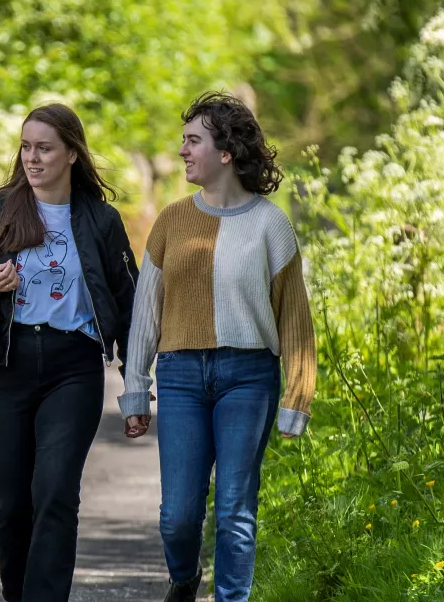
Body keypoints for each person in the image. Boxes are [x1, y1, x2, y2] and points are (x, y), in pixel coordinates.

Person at [120, 91, 316, 602]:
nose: (182, 151)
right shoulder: (170, 222)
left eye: (193, 141)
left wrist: (297, 397)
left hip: (249, 378)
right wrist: (136, 391)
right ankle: (184, 580)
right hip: (181, 376)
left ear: (225, 151)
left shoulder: (272, 225)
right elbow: (146, 313)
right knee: (177, 515)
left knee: (234, 509)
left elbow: (295, 318)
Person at [0, 103, 139, 602]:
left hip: (72, 369)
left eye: (45, 148)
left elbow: (129, 303)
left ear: (72, 154)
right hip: (4, 366)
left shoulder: (101, 220)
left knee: (55, 492)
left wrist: (135, 383)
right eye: (26, 147)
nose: (32, 158)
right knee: (9, 503)